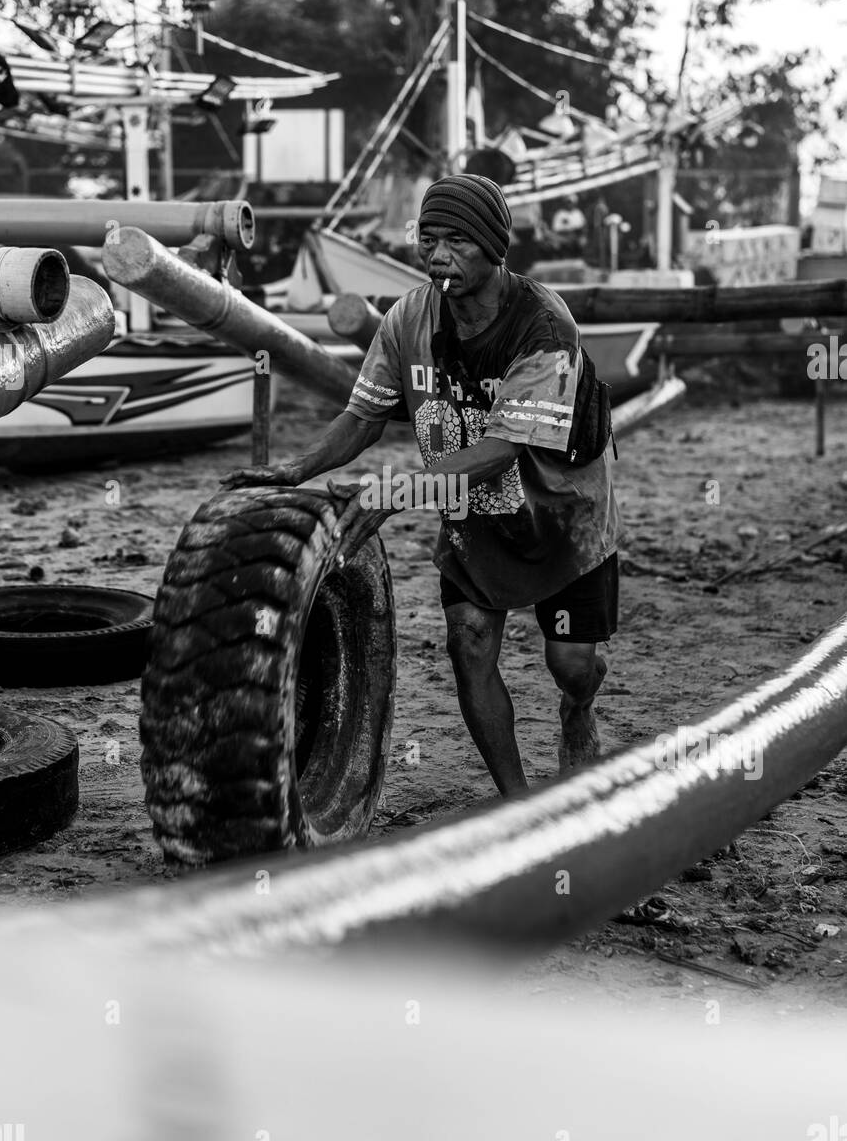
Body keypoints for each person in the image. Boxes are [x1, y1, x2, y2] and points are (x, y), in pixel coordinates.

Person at [224, 174, 621, 799]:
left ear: (495, 247)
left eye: (458, 241)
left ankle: (579, 709)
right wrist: (300, 468)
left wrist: (392, 493)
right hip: (474, 522)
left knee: (571, 666)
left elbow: (500, 449)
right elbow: (363, 418)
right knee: (468, 646)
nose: (438, 255)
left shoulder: (544, 324)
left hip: (564, 522)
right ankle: (517, 805)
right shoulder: (407, 320)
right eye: (428, 239)